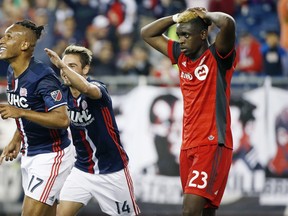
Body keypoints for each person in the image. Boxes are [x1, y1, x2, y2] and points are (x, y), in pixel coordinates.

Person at [141, 7, 236, 216]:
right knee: (204, 212)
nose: (181, 40)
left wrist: (206, 16)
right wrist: (177, 17)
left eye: (186, 35)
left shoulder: (218, 56)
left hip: (212, 143)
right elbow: (146, 33)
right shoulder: (180, 56)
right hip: (188, 146)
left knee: (189, 210)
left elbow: (228, 23)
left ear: (203, 35)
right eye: (179, 35)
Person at [45, 45, 141, 216]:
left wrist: (61, 65)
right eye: (63, 65)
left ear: (86, 69)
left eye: (72, 66)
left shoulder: (98, 88)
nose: (65, 70)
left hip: (113, 170)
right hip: (83, 169)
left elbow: (87, 89)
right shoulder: (61, 95)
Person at [0, 20, 74, 216]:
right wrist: (17, 138)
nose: (2, 40)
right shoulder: (12, 71)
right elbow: (30, 107)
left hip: (51, 155)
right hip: (30, 153)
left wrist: (21, 113)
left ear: (24, 45)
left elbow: (62, 120)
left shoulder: (43, 77)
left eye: (9, 37)